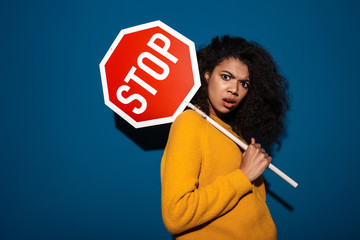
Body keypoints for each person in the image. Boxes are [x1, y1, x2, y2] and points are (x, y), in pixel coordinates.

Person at [160, 35, 289, 240]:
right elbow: (177, 214)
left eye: (244, 83)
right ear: (207, 75)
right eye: (226, 77)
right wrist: (243, 175)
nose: (234, 90)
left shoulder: (234, 133)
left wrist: (252, 168)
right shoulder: (190, 122)